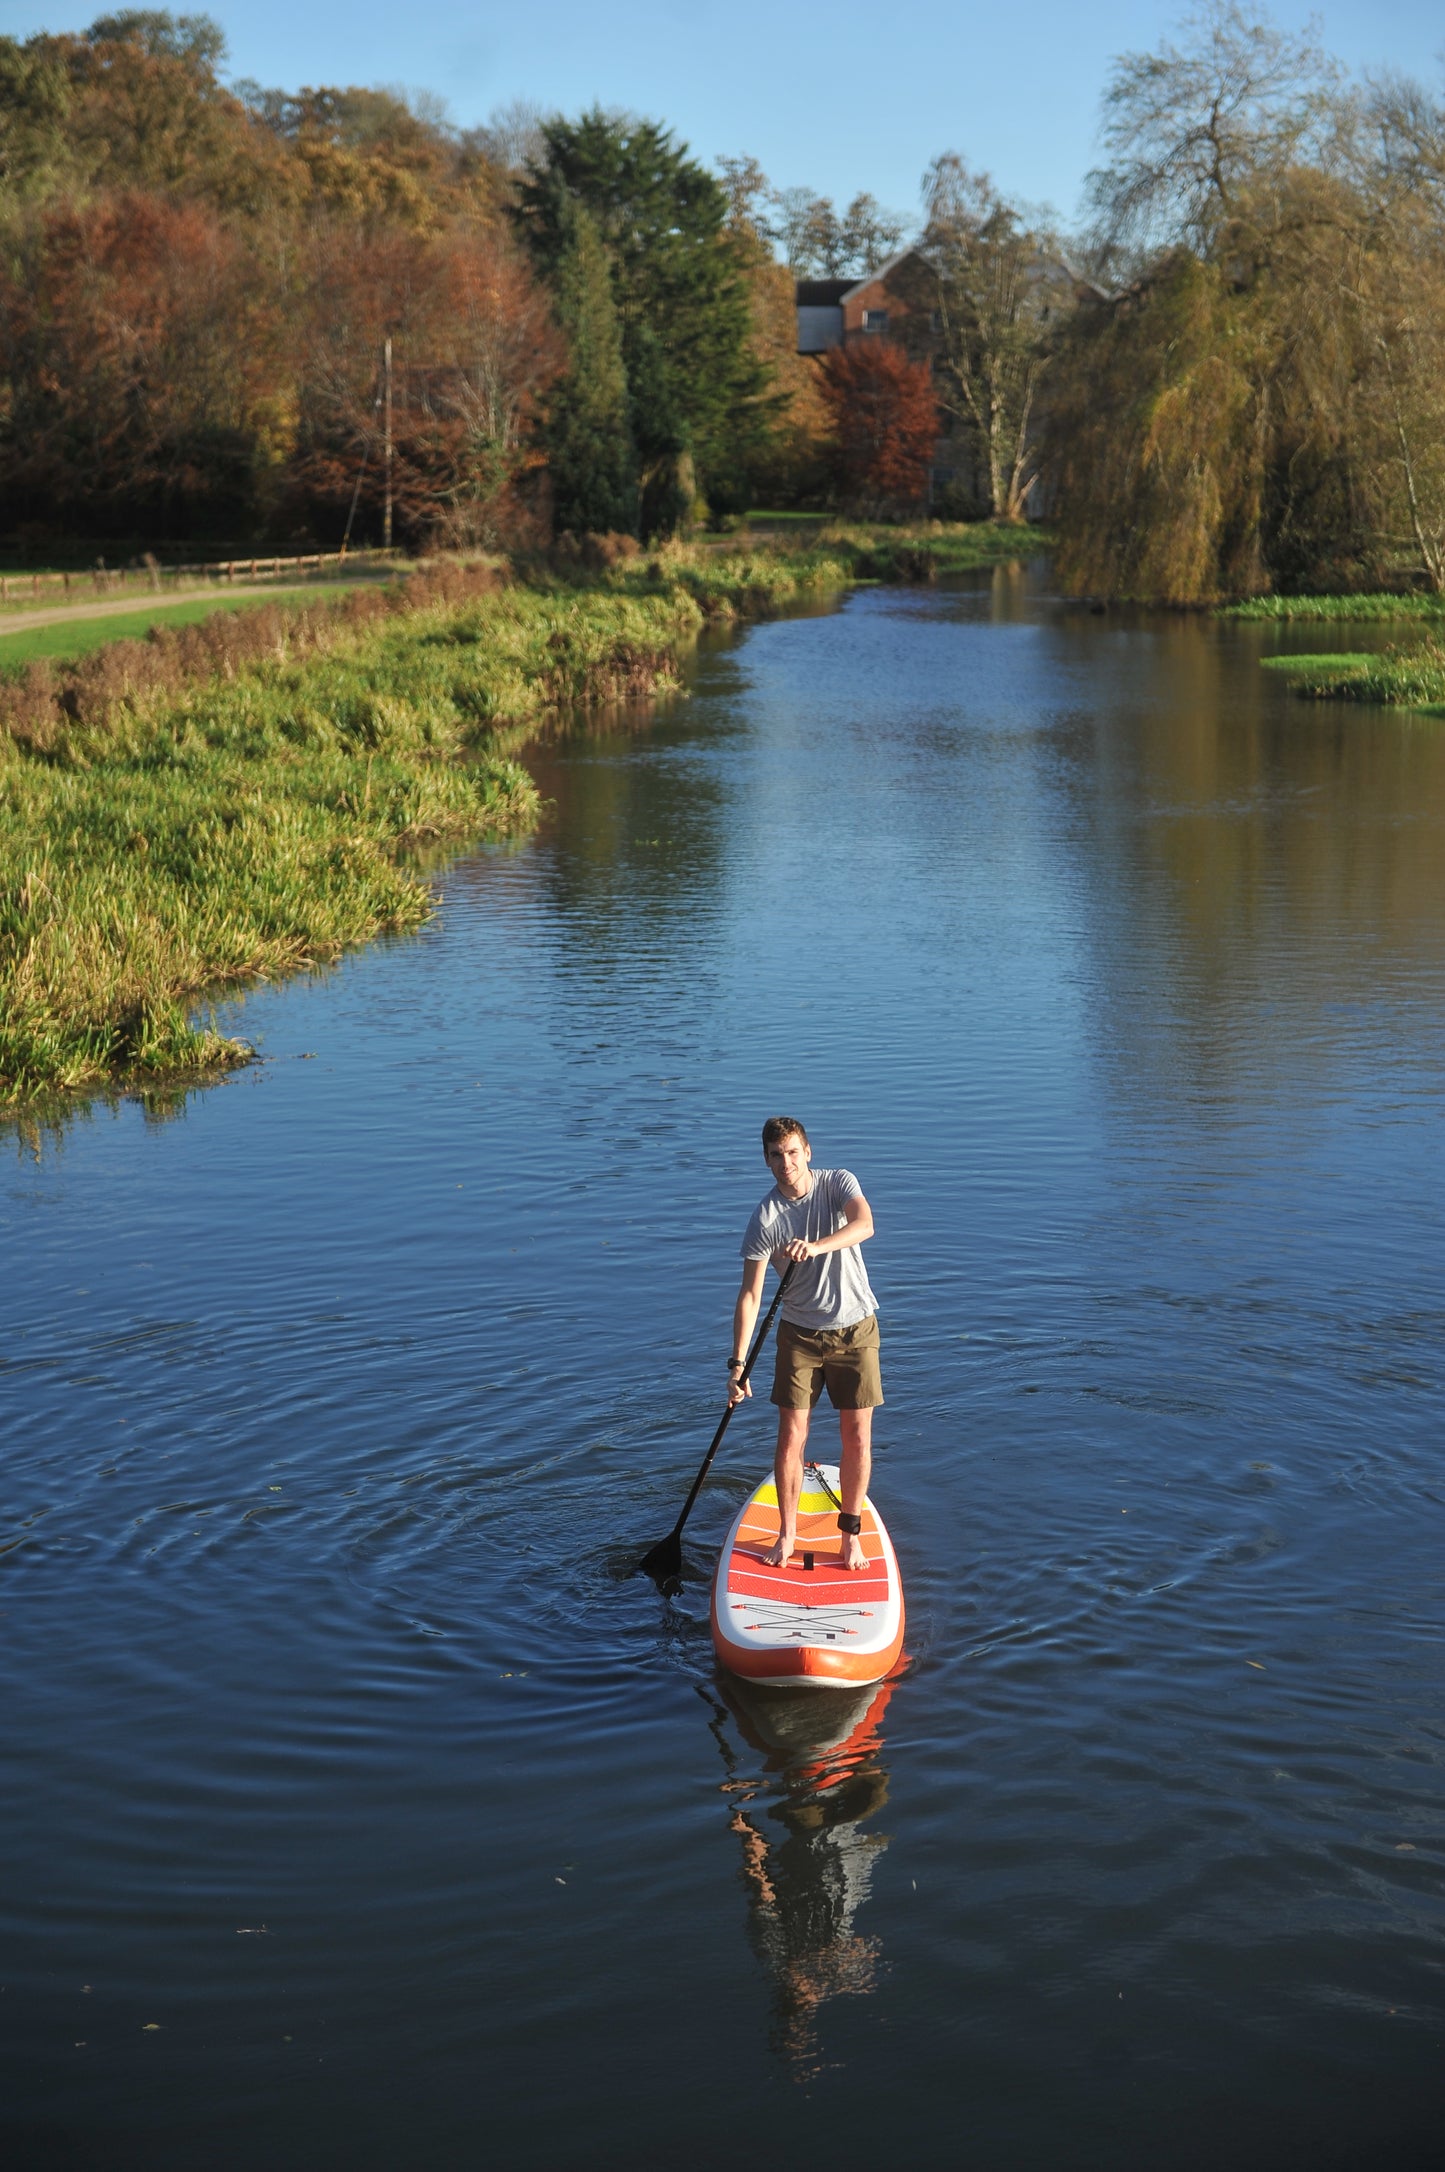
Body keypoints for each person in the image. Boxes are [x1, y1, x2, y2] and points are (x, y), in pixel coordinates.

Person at [728, 1117, 881, 1572]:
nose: (786, 1163)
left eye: (793, 1152)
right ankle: (787, 1533)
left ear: (808, 1152)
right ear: (766, 1160)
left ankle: (850, 1535)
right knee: (791, 1436)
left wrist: (815, 1247)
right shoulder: (766, 1218)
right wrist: (738, 1364)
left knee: (856, 1436)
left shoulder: (838, 1184)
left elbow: (865, 1224)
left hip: (856, 1327)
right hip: (798, 1335)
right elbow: (751, 1295)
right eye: (776, 1155)